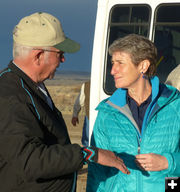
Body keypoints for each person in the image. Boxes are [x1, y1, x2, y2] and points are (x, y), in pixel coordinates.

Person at [0, 12, 130, 192]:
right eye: (59, 53)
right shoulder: (10, 96)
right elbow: (29, 161)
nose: (63, 59)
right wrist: (88, 154)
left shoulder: (31, 87)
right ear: (38, 55)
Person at [86, 34, 180, 192]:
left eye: (120, 63)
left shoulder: (175, 106)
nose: (112, 71)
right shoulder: (107, 112)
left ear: (143, 66)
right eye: (112, 63)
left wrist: (168, 162)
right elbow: (97, 169)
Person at [71, 80, 90, 146]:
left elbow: (79, 102)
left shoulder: (87, 85)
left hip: (90, 117)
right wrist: (75, 115)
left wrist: (75, 115)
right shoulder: (87, 85)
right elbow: (79, 102)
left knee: (87, 142)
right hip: (90, 117)